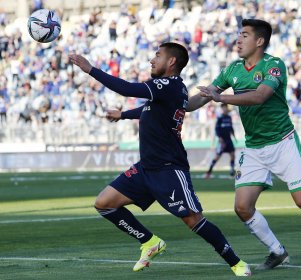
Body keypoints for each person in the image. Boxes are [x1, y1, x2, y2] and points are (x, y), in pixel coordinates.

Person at [68, 42, 251, 277]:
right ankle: (149, 242)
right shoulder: (169, 90)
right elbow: (148, 110)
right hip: (146, 168)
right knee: (104, 203)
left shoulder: (168, 85)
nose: (152, 60)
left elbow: (127, 89)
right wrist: (123, 115)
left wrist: (90, 69)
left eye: (157, 55)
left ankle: (236, 262)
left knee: (194, 220)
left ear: (171, 61)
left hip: (168, 169)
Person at [187, 19, 301, 270]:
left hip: (283, 142)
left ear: (260, 41)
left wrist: (221, 97)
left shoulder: (274, 65)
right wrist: (179, 104)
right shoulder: (232, 69)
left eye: (244, 35)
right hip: (253, 147)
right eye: (238, 35)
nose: (238, 40)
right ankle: (277, 251)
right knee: (242, 207)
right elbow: (205, 95)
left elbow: (260, 96)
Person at [205, 103, 236, 179]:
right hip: (222, 141)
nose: (225, 109)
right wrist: (219, 137)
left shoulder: (229, 117)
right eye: (223, 108)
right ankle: (209, 172)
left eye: (225, 107)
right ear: (222, 109)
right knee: (217, 157)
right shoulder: (220, 118)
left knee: (233, 155)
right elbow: (217, 129)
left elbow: (231, 127)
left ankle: (232, 170)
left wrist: (234, 136)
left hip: (229, 140)